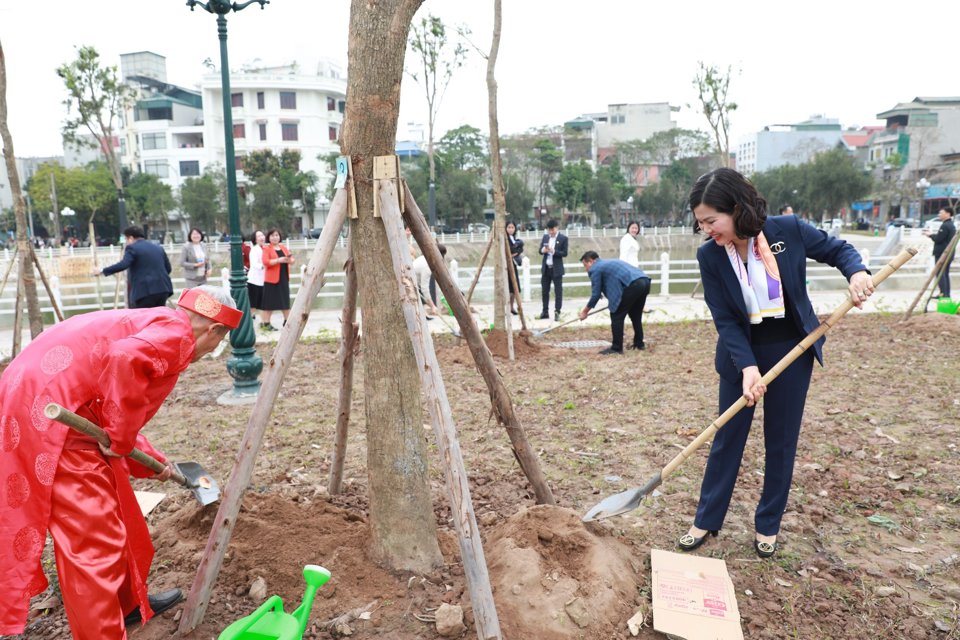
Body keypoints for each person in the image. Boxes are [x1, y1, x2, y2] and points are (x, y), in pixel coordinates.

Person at [0, 286, 242, 639]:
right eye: (218, 343)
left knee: (114, 506)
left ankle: (125, 606)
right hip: (50, 419)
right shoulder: (178, 335)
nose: (210, 351)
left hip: (47, 397)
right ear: (213, 331)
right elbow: (124, 360)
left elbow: (109, 405)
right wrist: (123, 438)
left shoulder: (158, 321)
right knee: (93, 539)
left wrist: (155, 461)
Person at [680, 168, 873, 558]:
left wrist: (857, 273)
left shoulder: (787, 230)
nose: (706, 230)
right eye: (700, 222)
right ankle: (706, 519)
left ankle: (768, 525)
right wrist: (747, 367)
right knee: (727, 437)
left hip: (792, 351)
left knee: (781, 441)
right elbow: (725, 319)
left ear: (736, 209)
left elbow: (838, 250)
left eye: (711, 220)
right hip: (741, 356)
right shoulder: (710, 255)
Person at [578, 251, 651, 354]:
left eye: (585, 265)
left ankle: (616, 348)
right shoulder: (607, 263)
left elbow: (595, 295)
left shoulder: (595, 268)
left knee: (616, 315)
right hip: (644, 281)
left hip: (633, 285)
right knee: (635, 315)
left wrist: (585, 312)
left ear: (591, 261)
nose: (586, 269)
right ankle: (639, 344)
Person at [97, 225, 173, 309]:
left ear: (131, 238)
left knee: (144, 318)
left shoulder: (132, 248)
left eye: (126, 239)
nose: (127, 242)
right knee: (159, 317)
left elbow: (123, 264)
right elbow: (168, 269)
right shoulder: (158, 248)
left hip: (144, 292)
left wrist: (102, 271)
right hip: (163, 289)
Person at [261, 228, 295, 330]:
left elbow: (292, 260)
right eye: (272, 236)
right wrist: (278, 260)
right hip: (271, 280)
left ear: (279, 236)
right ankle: (266, 324)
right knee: (269, 303)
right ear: (269, 238)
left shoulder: (283, 248)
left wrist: (289, 260)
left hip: (283, 278)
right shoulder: (267, 249)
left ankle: (287, 322)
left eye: (276, 235)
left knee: (285, 301)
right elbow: (266, 262)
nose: (275, 237)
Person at [539, 219, 568, 321]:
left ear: (557, 228)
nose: (551, 232)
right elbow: (540, 250)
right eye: (549, 230)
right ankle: (545, 311)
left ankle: (557, 312)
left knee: (558, 292)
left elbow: (564, 253)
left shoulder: (563, 238)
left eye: (552, 229)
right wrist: (544, 250)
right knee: (544, 291)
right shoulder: (545, 237)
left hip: (557, 269)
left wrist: (554, 251)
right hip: (546, 269)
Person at [923, 207, 956, 298]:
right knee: (944, 274)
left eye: (941, 213)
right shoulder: (951, 225)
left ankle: (943, 294)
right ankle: (945, 294)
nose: (939, 215)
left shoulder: (945, 225)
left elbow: (939, 239)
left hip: (943, 254)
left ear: (948, 214)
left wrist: (930, 235)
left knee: (940, 274)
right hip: (948, 253)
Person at [412, 243, 447, 317]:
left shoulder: (424, 258)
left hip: (414, 285)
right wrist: (433, 306)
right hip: (410, 286)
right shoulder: (426, 266)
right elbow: (424, 288)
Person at [247, 230, 267, 316]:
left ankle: (264, 322)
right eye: (259, 236)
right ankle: (249, 320)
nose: (261, 237)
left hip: (263, 280)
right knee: (253, 303)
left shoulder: (266, 248)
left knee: (263, 304)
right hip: (254, 280)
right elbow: (254, 263)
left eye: (262, 235)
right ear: (255, 239)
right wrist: (264, 265)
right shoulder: (254, 249)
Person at [506, 221, 524, 315]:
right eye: (509, 227)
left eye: (512, 227)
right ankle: (507, 307)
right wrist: (514, 251)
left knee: (514, 287)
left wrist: (516, 252)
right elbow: (510, 250)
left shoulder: (514, 238)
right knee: (507, 288)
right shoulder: (505, 239)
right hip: (506, 266)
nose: (510, 229)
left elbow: (520, 249)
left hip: (513, 265)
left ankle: (512, 307)